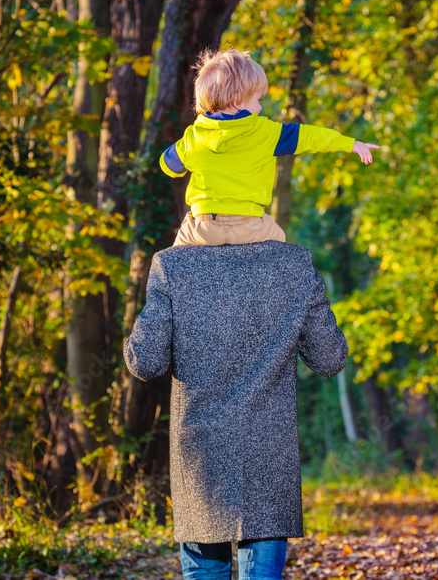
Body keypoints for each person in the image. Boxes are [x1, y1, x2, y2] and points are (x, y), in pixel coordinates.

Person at [123, 240, 349, 580]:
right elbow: (330, 358)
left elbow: (145, 361)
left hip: (202, 460)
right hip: (268, 457)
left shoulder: (172, 265)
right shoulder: (294, 262)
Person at [159, 47, 381, 247]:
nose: (260, 107)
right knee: (282, 246)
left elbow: (168, 166)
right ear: (238, 100)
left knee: (173, 260)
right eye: (257, 100)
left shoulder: (194, 138)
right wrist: (349, 143)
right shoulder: (267, 133)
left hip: (204, 228)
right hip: (252, 227)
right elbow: (309, 136)